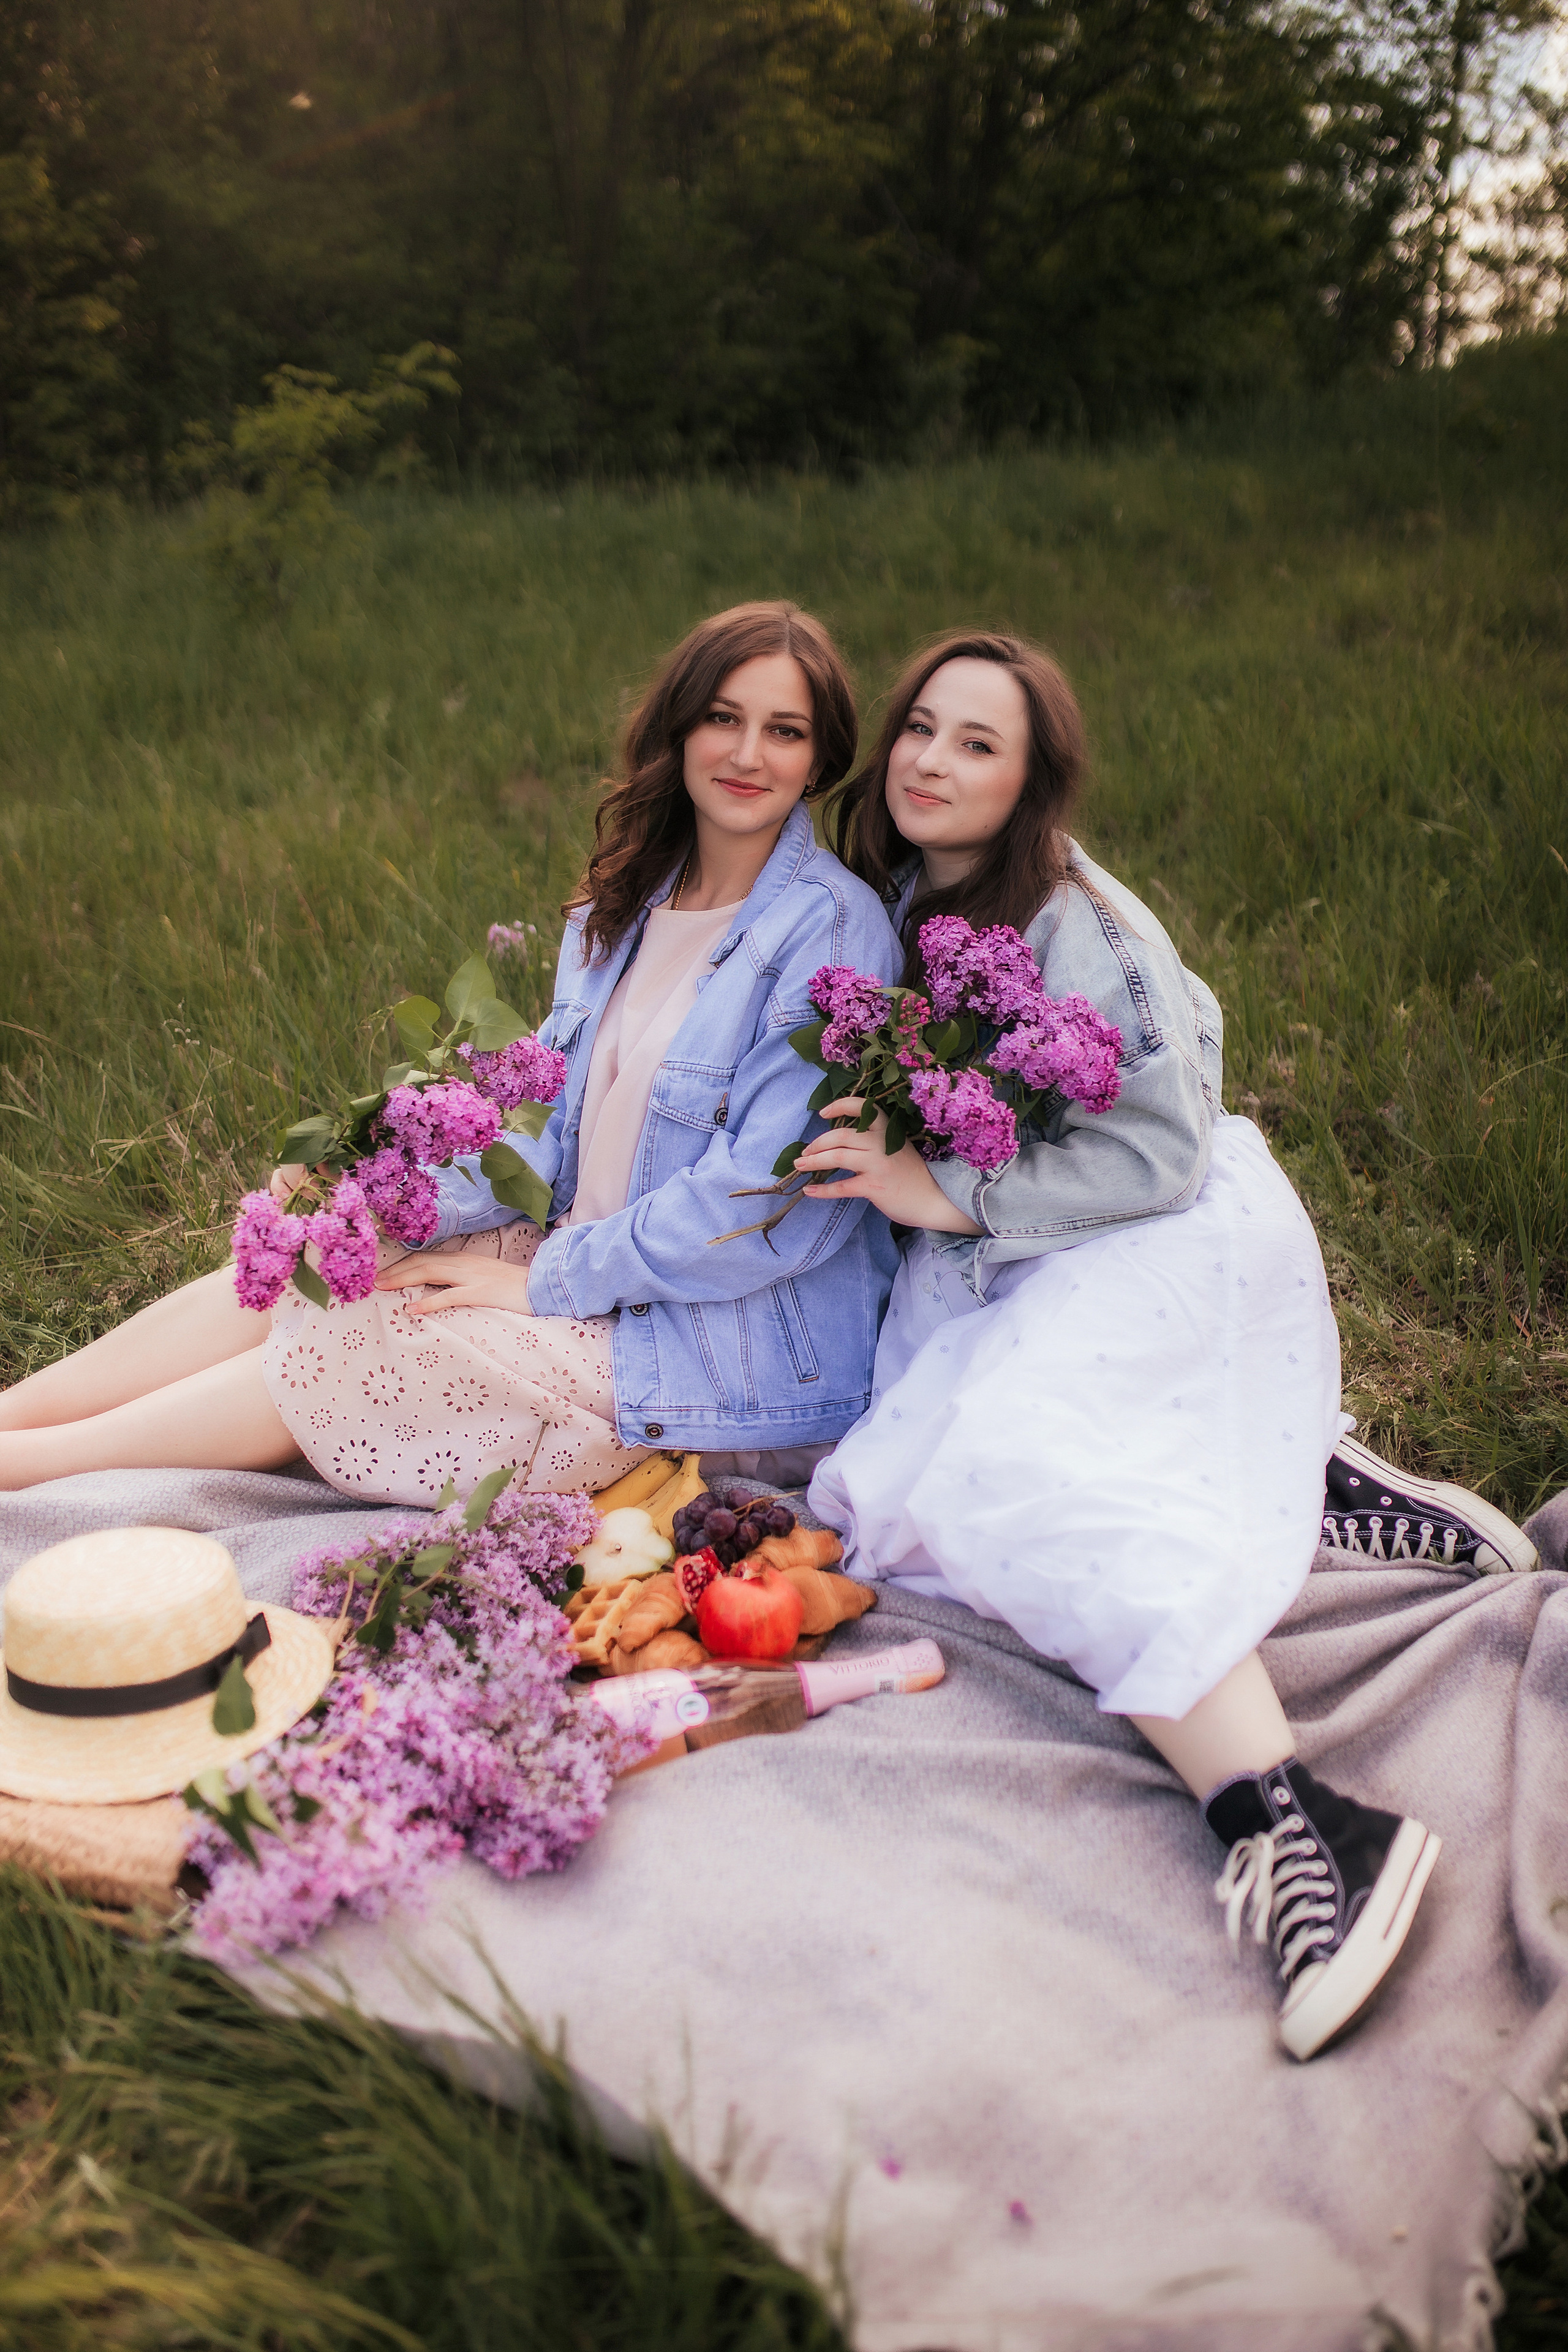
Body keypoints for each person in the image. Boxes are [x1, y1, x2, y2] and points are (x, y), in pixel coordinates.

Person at [794, 629, 1524, 2062]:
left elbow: (1167, 1150)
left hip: (1163, 1231)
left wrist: (927, 1188)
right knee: (913, 1493)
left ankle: (1304, 1825)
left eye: (977, 744)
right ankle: (1306, 1479)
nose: (933, 762)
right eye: (919, 729)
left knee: (1015, 1469)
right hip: (1013, 1256)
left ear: (1032, 781)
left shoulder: (1081, 920)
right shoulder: (890, 896)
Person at [0, 602, 902, 1505]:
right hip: (589, 1247)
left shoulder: (831, 933)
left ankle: (24, 1471)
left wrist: (543, 1281)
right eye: (724, 718)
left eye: (784, 732)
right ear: (681, 724)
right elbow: (546, 1132)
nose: (748, 755)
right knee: (322, 1253)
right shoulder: (625, 904)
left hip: (711, 1345)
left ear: (820, 760)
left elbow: (766, 1206)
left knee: (385, 1333)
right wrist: (382, 1196)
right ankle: (14, 1416)